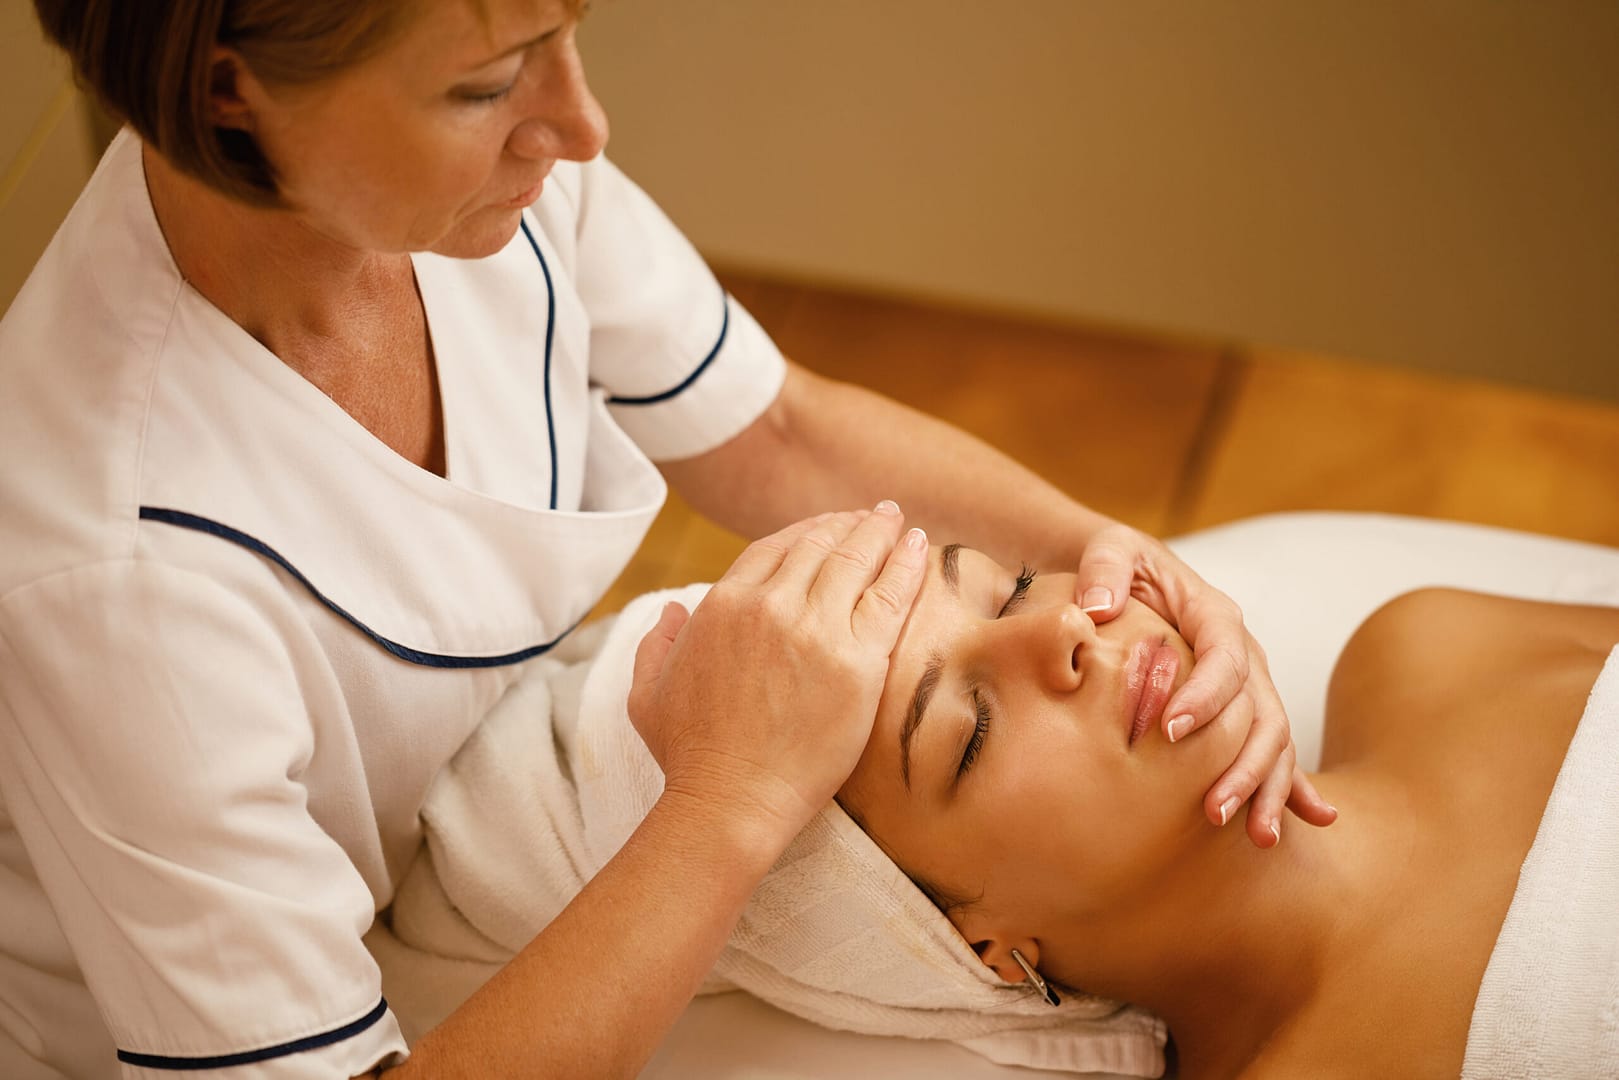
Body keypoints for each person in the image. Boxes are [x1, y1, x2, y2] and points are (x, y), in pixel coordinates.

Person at [0, 2, 1331, 1076]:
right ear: (229, 91)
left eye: (569, 31)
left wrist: (1122, 558)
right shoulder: (118, 582)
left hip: (478, 823)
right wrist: (726, 802)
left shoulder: (465, 196)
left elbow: (779, 435)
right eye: (486, 86)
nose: (578, 129)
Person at [831, 542, 1619, 1078]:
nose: (1063, 627)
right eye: (970, 732)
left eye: (1016, 589)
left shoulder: (1432, 649)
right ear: (987, 949)